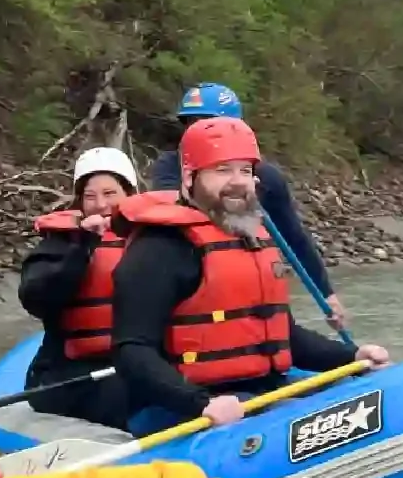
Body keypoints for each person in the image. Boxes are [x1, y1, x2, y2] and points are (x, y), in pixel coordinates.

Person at [111, 115, 388, 432]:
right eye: (222, 170)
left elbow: (283, 334)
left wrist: (352, 357)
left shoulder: (247, 237)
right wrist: (200, 403)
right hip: (180, 406)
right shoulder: (159, 249)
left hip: (259, 388)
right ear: (189, 178)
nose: (238, 181)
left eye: (245, 170)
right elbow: (132, 352)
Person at [147, 81, 344, 331]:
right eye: (190, 123)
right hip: (191, 286)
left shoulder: (266, 178)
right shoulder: (171, 167)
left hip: (246, 281)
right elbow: (167, 216)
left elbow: (295, 238)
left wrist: (327, 294)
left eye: (206, 122)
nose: (195, 131)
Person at [15, 146, 139, 427]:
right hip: (72, 374)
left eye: (110, 194)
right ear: (79, 202)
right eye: (90, 196)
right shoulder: (60, 243)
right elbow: (36, 298)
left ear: (130, 196)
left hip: (136, 365)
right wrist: (83, 248)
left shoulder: (154, 241)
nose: (100, 205)